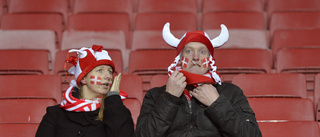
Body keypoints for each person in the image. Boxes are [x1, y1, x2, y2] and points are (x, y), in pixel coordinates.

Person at [134, 23, 262, 137]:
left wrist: (216, 103)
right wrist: (169, 98)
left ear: (210, 59)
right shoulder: (155, 95)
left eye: (202, 52)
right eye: (189, 51)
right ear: (179, 59)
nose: (195, 57)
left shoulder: (231, 92)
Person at [36, 45, 134, 137]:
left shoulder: (118, 111)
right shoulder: (55, 114)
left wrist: (113, 98)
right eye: (100, 70)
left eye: (110, 71)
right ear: (83, 78)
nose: (108, 76)